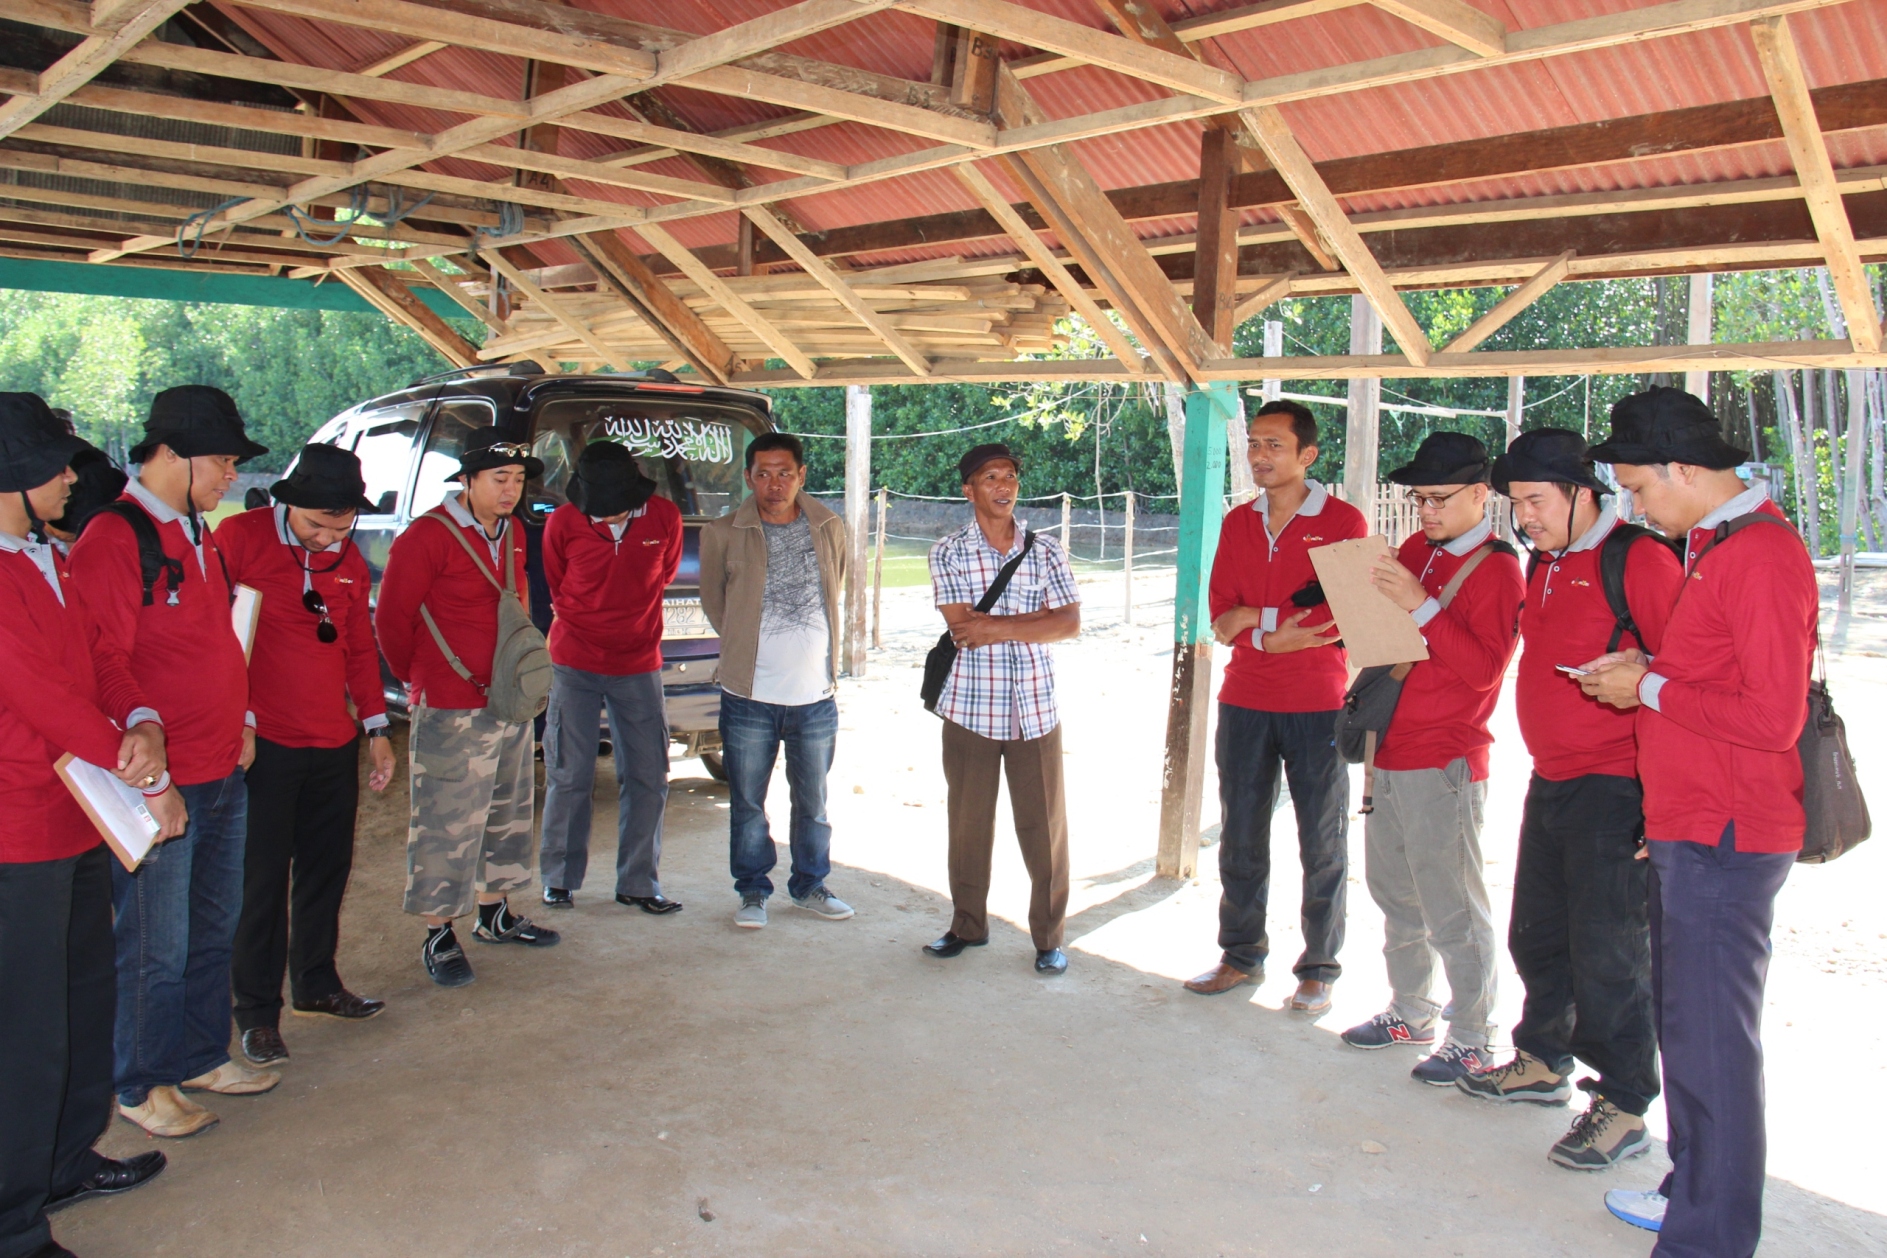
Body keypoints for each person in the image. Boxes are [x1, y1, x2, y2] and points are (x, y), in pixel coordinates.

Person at [1576, 388, 1816, 1252]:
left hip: (1727, 831)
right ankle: (1693, 1191)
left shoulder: (1759, 554)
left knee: (1711, 1042)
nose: (1636, 508)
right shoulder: (1718, 544)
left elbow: (1771, 718)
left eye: (1640, 489)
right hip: (1694, 820)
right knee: (1688, 1030)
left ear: (1681, 470)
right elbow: (1714, 681)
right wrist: (1649, 674)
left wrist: (1644, 685)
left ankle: (1709, 1235)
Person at [1455, 428, 1681, 1168]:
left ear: (1583, 494)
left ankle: (1623, 1104)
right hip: (1552, 778)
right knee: (1539, 933)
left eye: (1536, 502)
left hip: (1617, 787)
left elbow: (1683, 678)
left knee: (1610, 953)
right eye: (1516, 505)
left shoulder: (1638, 559)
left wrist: (1658, 801)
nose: (1524, 518)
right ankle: (1542, 1060)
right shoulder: (1544, 561)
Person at [67, 385, 278, 1138]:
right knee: (156, 942)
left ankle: (199, 1053)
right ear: (170, 454)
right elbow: (101, 664)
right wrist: (151, 772)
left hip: (222, 766)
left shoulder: (198, 532)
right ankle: (141, 1082)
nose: (231, 475)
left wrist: (242, 715)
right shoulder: (114, 538)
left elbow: (221, 639)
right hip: (162, 783)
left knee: (214, 926)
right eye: (221, 460)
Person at [0, 394, 178, 1258]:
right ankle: (14, 1220)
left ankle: (65, 1162)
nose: (72, 478)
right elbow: (37, 694)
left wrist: (141, 718)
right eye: (57, 466)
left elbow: (101, 656)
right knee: (26, 1031)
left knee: (81, 1001)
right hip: (18, 832)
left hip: (77, 817)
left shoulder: (47, 554)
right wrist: (138, 764)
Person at [1338, 432, 1526, 1084]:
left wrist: (1417, 604)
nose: (1425, 510)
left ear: (1480, 494)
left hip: (1445, 757)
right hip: (1389, 746)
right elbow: (1386, 641)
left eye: (1438, 498)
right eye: (1419, 498)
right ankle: (1411, 1009)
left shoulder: (1498, 568)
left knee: (1452, 904)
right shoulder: (1418, 550)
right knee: (1395, 892)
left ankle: (1473, 1034)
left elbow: (1483, 670)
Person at [217, 444, 395, 1068]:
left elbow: (357, 646)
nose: (327, 539)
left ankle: (316, 983)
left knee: (326, 869)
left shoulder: (349, 561)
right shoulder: (238, 540)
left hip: (332, 741)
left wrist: (375, 726)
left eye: (341, 529)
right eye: (317, 526)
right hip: (263, 744)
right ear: (289, 502)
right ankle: (256, 1012)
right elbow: (216, 641)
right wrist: (237, 719)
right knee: (261, 882)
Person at [1186, 400, 1367, 1013]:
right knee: (1240, 836)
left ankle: (1319, 969)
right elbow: (1221, 616)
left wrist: (1254, 620)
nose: (1259, 455)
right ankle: (1240, 956)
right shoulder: (1239, 522)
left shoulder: (1344, 522)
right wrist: (1271, 631)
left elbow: (1337, 617)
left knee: (1322, 841)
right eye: (1254, 444)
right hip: (1244, 700)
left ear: (1307, 455)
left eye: (1274, 445)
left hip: (1318, 703)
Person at [376, 428, 559, 987]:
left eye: (519, 479)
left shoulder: (513, 533)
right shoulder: (426, 536)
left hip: (507, 698)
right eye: (499, 479)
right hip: (450, 704)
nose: (511, 490)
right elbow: (391, 620)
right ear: (467, 479)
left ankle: (494, 912)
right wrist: (421, 680)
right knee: (446, 823)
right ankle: (438, 932)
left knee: (507, 811)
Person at [924, 443, 1081, 975]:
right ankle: (967, 926)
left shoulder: (1047, 550)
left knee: (1045, 828)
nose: (1003, 485)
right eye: (990, 477)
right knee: (968, 825)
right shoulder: (948, 551)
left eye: (1010, 475)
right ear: (969, 490)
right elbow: (962, 629)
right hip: (970, 707)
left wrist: (997, 626)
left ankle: (1049, 939)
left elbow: (1069, 624)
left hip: (1035, 707)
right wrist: (1034, 621)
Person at [699, 432, 853, 929]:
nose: (774, 484)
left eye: (785, 473)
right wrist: (746, 644)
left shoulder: (829, 526)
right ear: (748, 478)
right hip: (748, 696)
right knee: (747, 803)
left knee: (813, 803)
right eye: (763, 474)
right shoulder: (722, 532)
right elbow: (716, 603)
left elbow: (836, 586)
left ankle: (810, 886)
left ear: (801, 475)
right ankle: (752, 891)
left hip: (815, 697)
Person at [538, 441, 684, 913]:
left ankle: (638, 883)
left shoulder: (664, 517)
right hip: (574, 663)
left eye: (616, 508)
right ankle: (559, 878)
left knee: (648, 774)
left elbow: (663, 576)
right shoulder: (562, 523)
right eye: (599, 509)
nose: (608, 515)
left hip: (638, 665)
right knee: (570, 773)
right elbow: (556, 584)